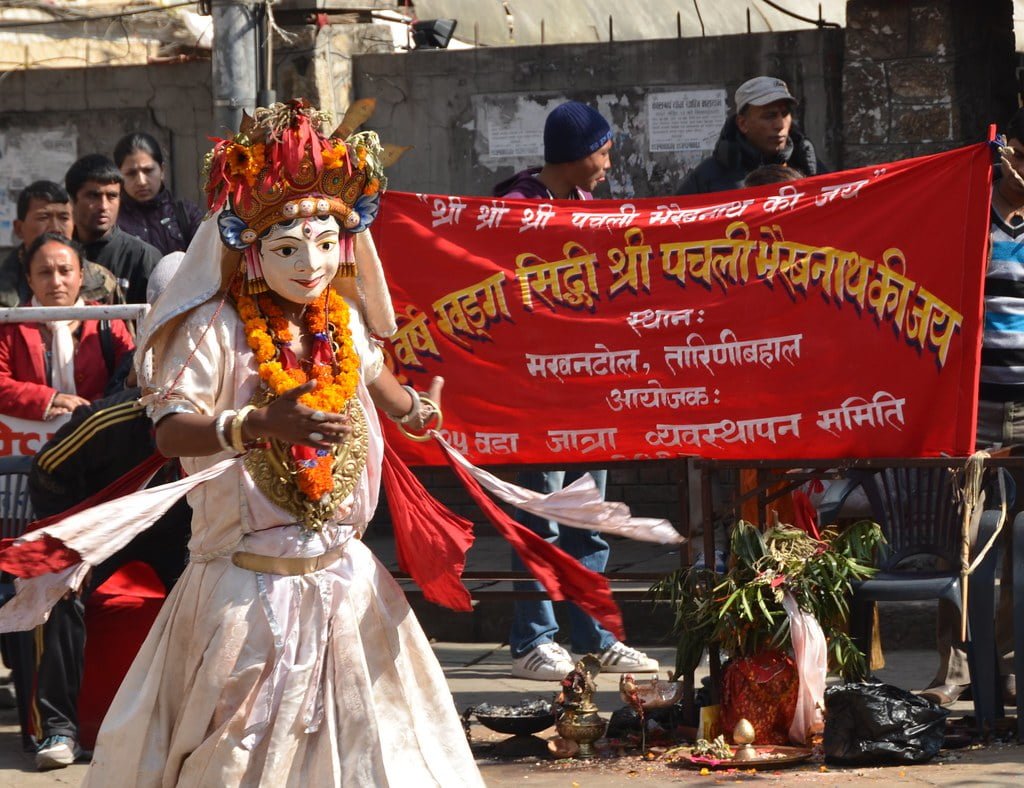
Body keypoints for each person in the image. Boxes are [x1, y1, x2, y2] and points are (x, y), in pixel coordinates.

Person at [76, 100, 482, 785]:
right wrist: (256, 426)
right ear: (247, 245)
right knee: (234, 758)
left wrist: (420, 413)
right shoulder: (213, 330)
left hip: (347, 587)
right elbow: (170, 429)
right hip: (244, 595)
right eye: (289, 247)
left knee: (378, 752)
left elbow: (382, 387)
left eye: (328, 244)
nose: (313, 263)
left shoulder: (343, 321)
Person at [493, 100, 659, 680]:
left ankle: (596, 635)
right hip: (536, 394)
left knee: (590, 515)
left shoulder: (587, 207)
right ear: (578, 152)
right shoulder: (514, 210)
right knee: (541, 514)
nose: (611, 163)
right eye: (606, 150)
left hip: (589, 391)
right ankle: (533, 639)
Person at [919, 111, 1024, 707]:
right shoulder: (966, 220)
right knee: (960, 540)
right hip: (974, 407)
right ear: (1006, 155)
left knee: (1018, 548)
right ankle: (953, 668)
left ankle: (1001, 664)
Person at [0, 232, 134, 420]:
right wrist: (50, 400)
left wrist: (88, 410)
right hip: (28, 445)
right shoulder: (10, 327)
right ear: (30, 280)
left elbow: (130, 378)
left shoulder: (108, 322)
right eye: (45, 272)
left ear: (80, 276)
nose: (56, 282)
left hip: (99, 439)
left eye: (65, 271)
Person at [677, 76, 827, 195]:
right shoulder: (706, 178)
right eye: (770, 115)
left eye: (785, 113)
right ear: (743, 124)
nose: (780, 125)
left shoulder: (810, 167)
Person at [0, 180, 122, 308]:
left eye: (63, 218)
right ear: (19, 228)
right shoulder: (5, 281)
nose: (55, 228)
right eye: (43, 218)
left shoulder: (101, 281)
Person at [65, 153, 161, 304]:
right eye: (93, 196)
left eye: (112, 196)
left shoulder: (143, 258)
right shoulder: (60, 256)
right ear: (72, 201)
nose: (103, 206)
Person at [113, 132, 203, 255]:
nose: (141, 181)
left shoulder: (186, 214)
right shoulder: (112, 220)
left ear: (162, 171)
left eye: (148, 171)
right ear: (119, 176)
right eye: (131, 173)